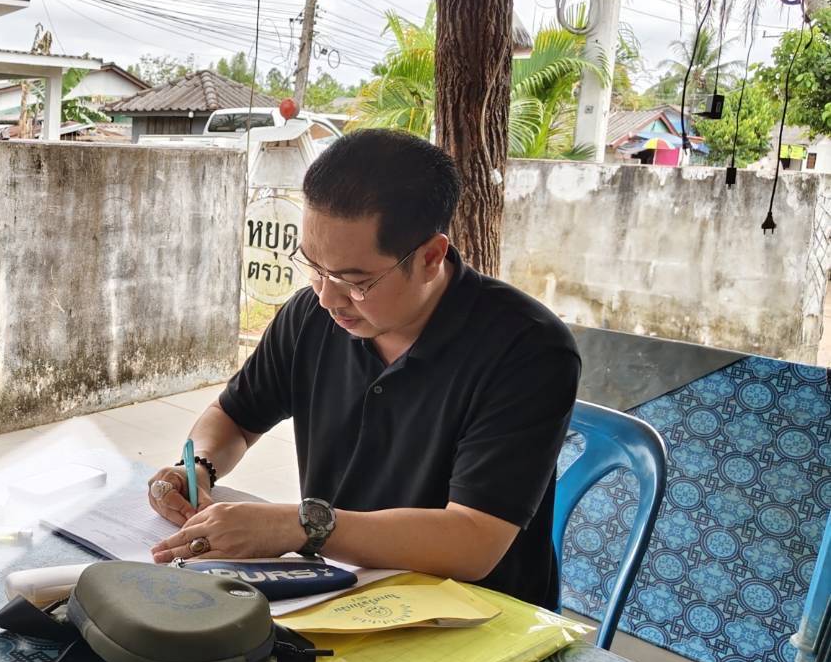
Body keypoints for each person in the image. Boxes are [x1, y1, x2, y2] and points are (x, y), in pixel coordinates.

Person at [146, 129, 579, 607]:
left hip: (474, 617)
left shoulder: (528, 350)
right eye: (313, 267)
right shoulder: (310, 315)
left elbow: (473, 541)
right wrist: (200, 468)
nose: (327, 298)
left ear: (431, 257)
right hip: (337, 590)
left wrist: (298, 526)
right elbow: (235, 418)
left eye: (356, 281)